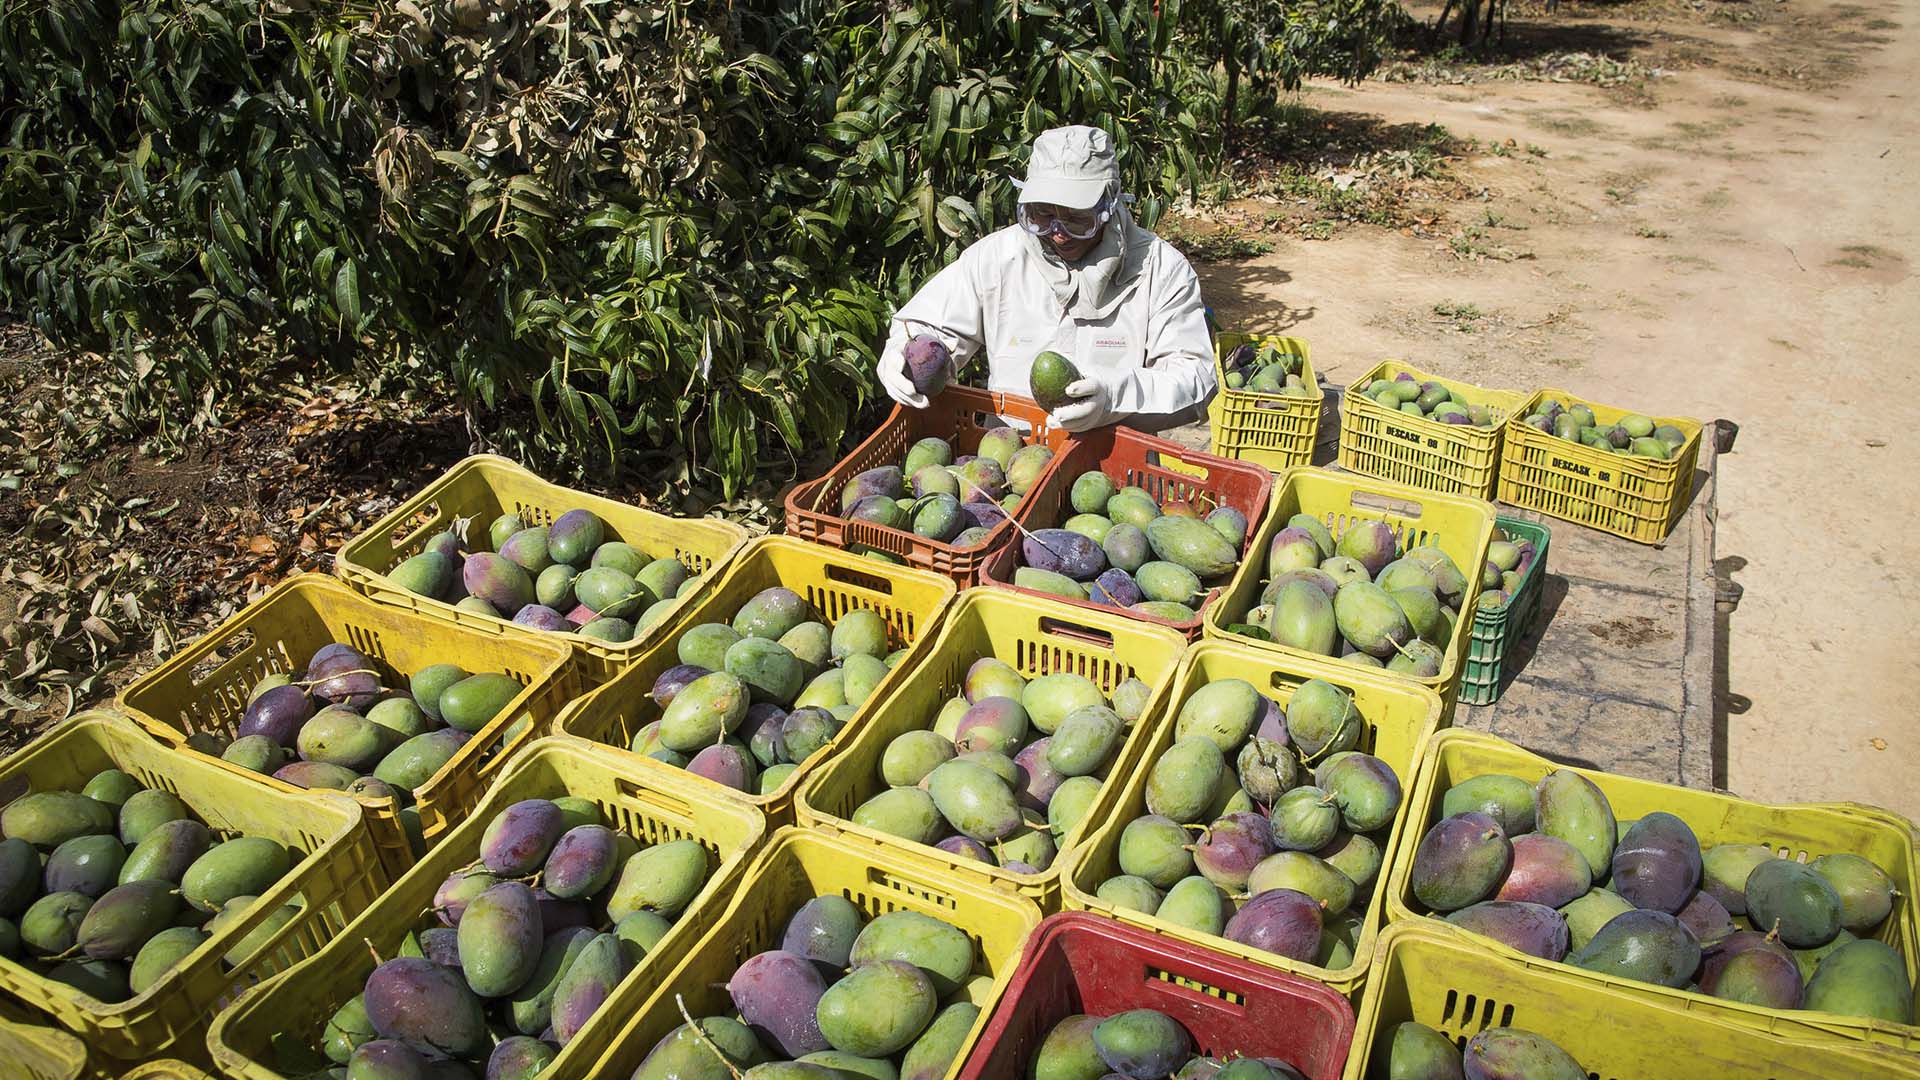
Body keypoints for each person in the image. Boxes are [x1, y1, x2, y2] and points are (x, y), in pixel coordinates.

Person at [874, 125, 1217, 433]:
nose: (1058, 233)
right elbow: (932, 328)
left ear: (1110, 205)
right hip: (1010, 452)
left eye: (1077, 218)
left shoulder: (1160, 268)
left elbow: (1195, 378)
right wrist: (903, 350)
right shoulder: (997, 257)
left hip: (1113, 459)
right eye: (1042, 215)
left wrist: (1115, 397)